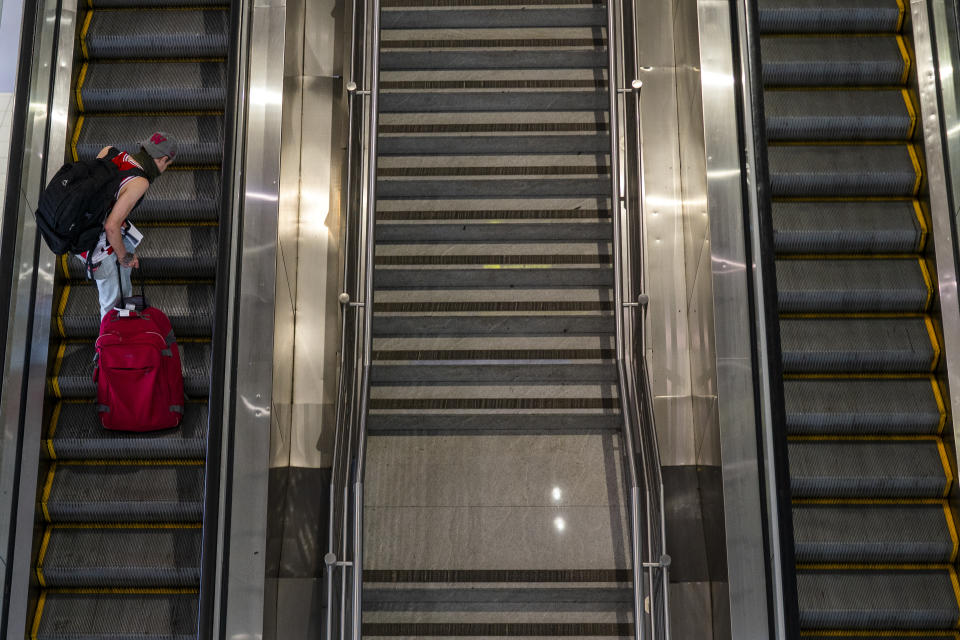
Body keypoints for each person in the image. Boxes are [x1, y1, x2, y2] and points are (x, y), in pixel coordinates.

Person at [77, 132, 177, 319]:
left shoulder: (110, 152)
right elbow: (111, 226)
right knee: (111, 308)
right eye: (168, 164)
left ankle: (124, 337)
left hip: (81, 229)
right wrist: (123, 257)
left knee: (122, 300)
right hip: (95, 244)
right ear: (163, 159)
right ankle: (108, 346)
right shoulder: (140, 182)